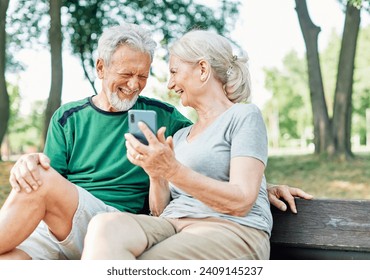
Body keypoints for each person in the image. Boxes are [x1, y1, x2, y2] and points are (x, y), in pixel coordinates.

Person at [0, 24, 312, 260]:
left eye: (144, 75)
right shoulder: (69, 117)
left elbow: (226, 152)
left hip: (120, 218)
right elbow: (46, 182)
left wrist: (262, 185)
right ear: (100, 68)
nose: (135, 84)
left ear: (202, 69)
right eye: (126, 73)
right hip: (66, 221)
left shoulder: (156, 116)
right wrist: (29, 162)